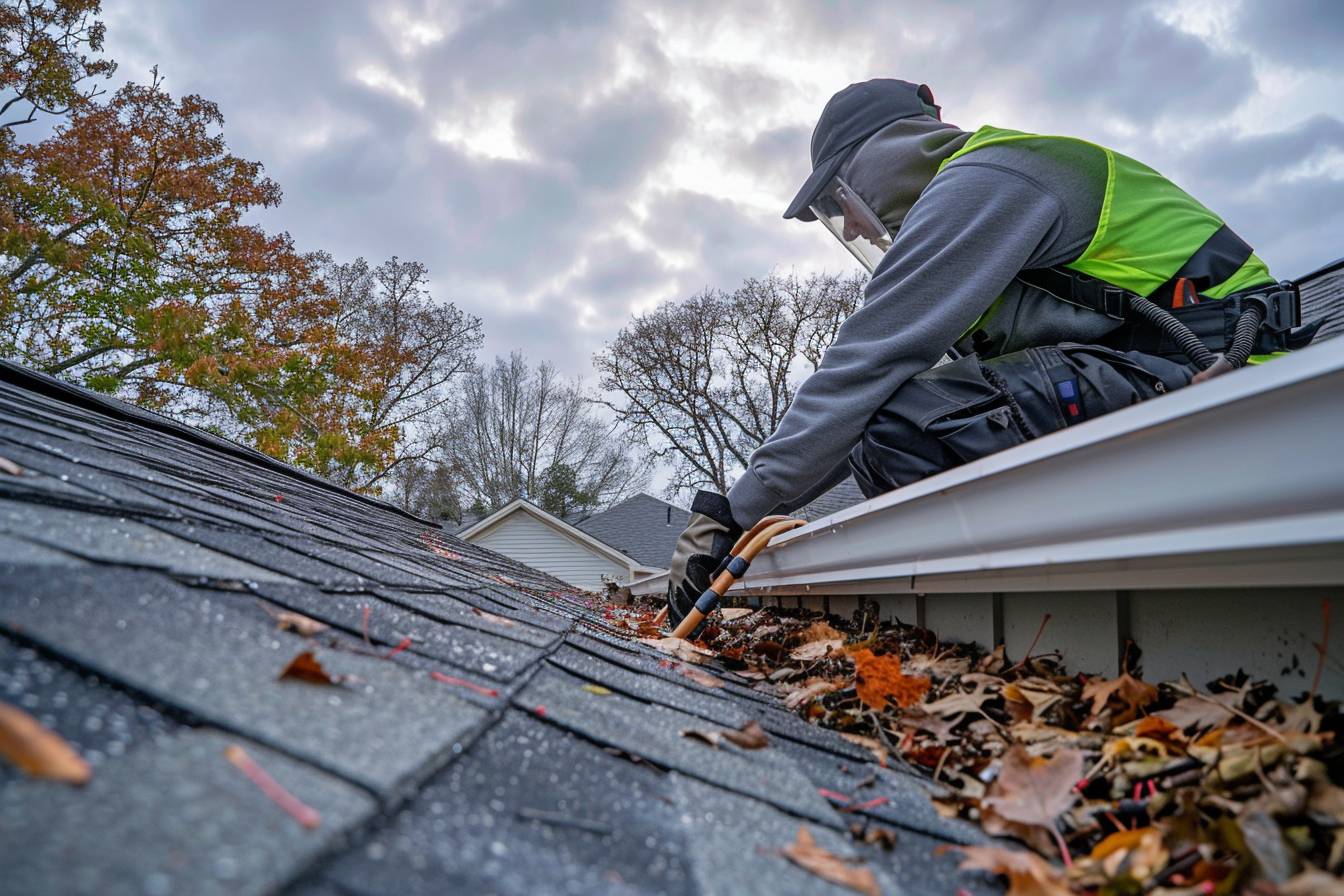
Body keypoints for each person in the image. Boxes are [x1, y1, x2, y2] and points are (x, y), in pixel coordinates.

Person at [666, 78, 1315, 628]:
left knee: (906, 431)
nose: (856, 227)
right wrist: (751, 523)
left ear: (883, 158)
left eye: (842, 203)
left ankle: (1041, 619)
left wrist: (731, 514)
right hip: (1183, 376)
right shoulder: (983, 202)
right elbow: (869, 402)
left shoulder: (981, 184)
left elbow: (866, 364)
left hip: (1227, 382)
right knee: (892, 431)